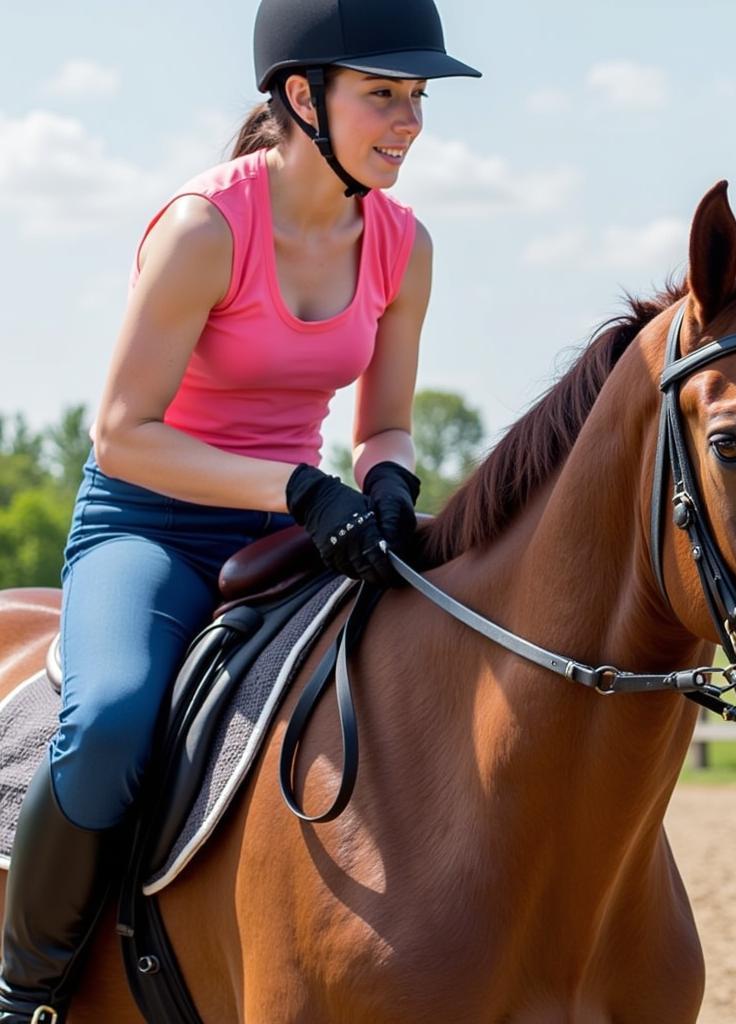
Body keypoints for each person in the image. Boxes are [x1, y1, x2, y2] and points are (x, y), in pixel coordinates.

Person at [0, 1, 480, 1020]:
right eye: (383, 94)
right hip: (150, 524)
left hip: (296, 528)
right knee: (112, 717)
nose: (410, 121)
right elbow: (122, 432)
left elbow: (383, 421)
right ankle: (23, 986)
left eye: (418, 97)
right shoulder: (203, 227)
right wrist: (296, 487)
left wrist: (388, 479)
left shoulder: (404, 244)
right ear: (302, 97)